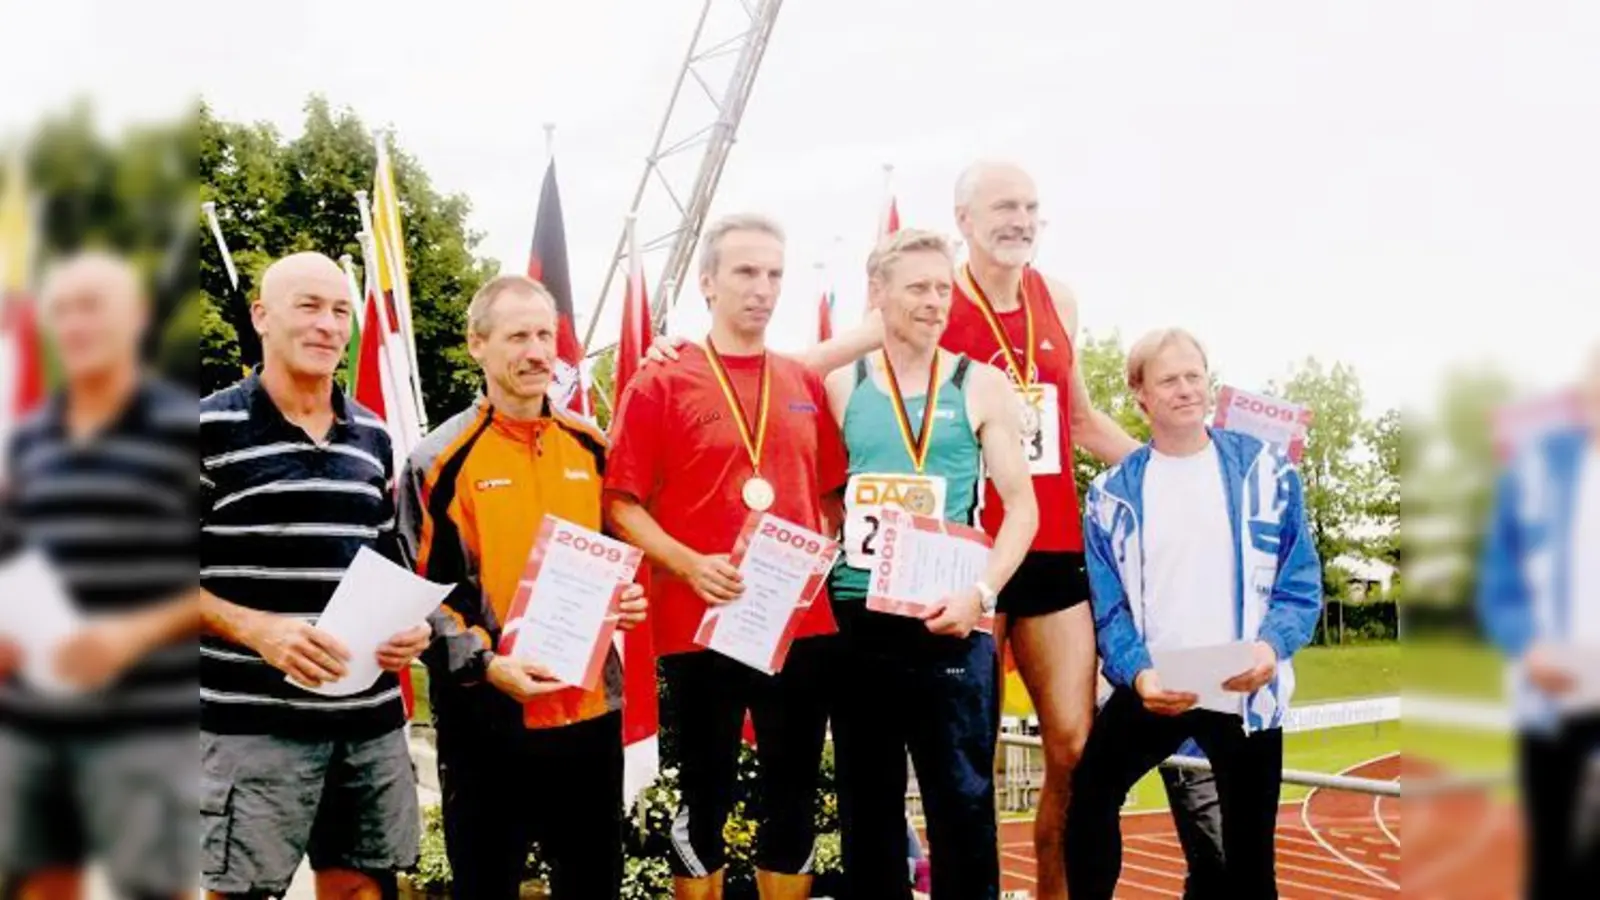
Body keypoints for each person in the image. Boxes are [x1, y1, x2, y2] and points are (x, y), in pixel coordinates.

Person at [603, 214, 849, 900]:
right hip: (701, 617)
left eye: (774, 274)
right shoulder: (662, 381)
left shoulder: (801, 380)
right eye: (745, 272)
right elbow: (620, 501)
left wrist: (814, 549)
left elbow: (830, 493)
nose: (762, 289)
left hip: (800, 625)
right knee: (705, 799)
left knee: (793, 799)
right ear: (707, 283)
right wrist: (688, 563)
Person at [396, 274, 648, 899]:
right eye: (517, 336)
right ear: (476, 344)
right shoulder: (437, 462)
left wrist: (628, 599)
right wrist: (486, 663)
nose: (538, 351)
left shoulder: (593, 448)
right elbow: (415, 594)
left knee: (593, 887)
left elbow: (616, 558)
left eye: (545, 334)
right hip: (487, 719)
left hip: (587, 711)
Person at [197, 252, 433, 899]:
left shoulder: (374, 437)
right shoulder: (205, 428)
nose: (329, 324)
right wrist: (258, 631)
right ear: (261, 316)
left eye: (339, 310)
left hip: (367, 719)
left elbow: (385, 561)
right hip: (255, 722)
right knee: (241, 891)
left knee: (362, 888)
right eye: (309, 306)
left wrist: (407, 631)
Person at [941, 160, 1143, 898]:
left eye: (1031, 206)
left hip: (1053, 543)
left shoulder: (1058, 298)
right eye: (1003, 206)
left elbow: (1082, 419)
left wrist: (1192, 465)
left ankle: (1056, 892)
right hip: (968, 552)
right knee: (969, 752)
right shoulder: (936, 300)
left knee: (1073, 742)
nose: (1020, 219)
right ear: (964, 218)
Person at [1065, 327, 1322, 900]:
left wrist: (1270, 648)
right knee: (1090, 797)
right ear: (1140, 396)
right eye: (1168, 380)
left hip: (1242, 680)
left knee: (1252, 859)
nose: (1184, 389)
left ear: (1209, 382)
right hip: (1163, 678)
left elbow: (1300, 583)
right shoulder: (1110, 495)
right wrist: (1138, 672)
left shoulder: (1268, 472)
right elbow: (1109, 611)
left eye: (1193, 376)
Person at [823, 228, 1037, 899]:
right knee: (868, 810)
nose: (935, 301)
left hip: (951, 619)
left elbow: (1022, 510)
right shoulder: (840, 385)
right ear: (878, 295)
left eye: (943, 288)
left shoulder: (982, 385)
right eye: (918, 287)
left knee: (964, 808)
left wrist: (981, 593)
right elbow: (829, 501)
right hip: (861, 621)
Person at [0, 251, 201, 899]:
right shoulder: (29, 439)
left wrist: (128, 637)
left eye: (94, 307)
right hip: (35, 714)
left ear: (137, 317)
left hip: (144, 719)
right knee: (43, 882)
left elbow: (221, 576)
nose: (76, 324)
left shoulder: (184, 431)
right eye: (64, 310)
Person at [1477, 343, 1600, 899]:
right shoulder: (1536, 464)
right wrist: (1528, 647)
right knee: (1552, 863)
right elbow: (1501, 580)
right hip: (1552, 692)